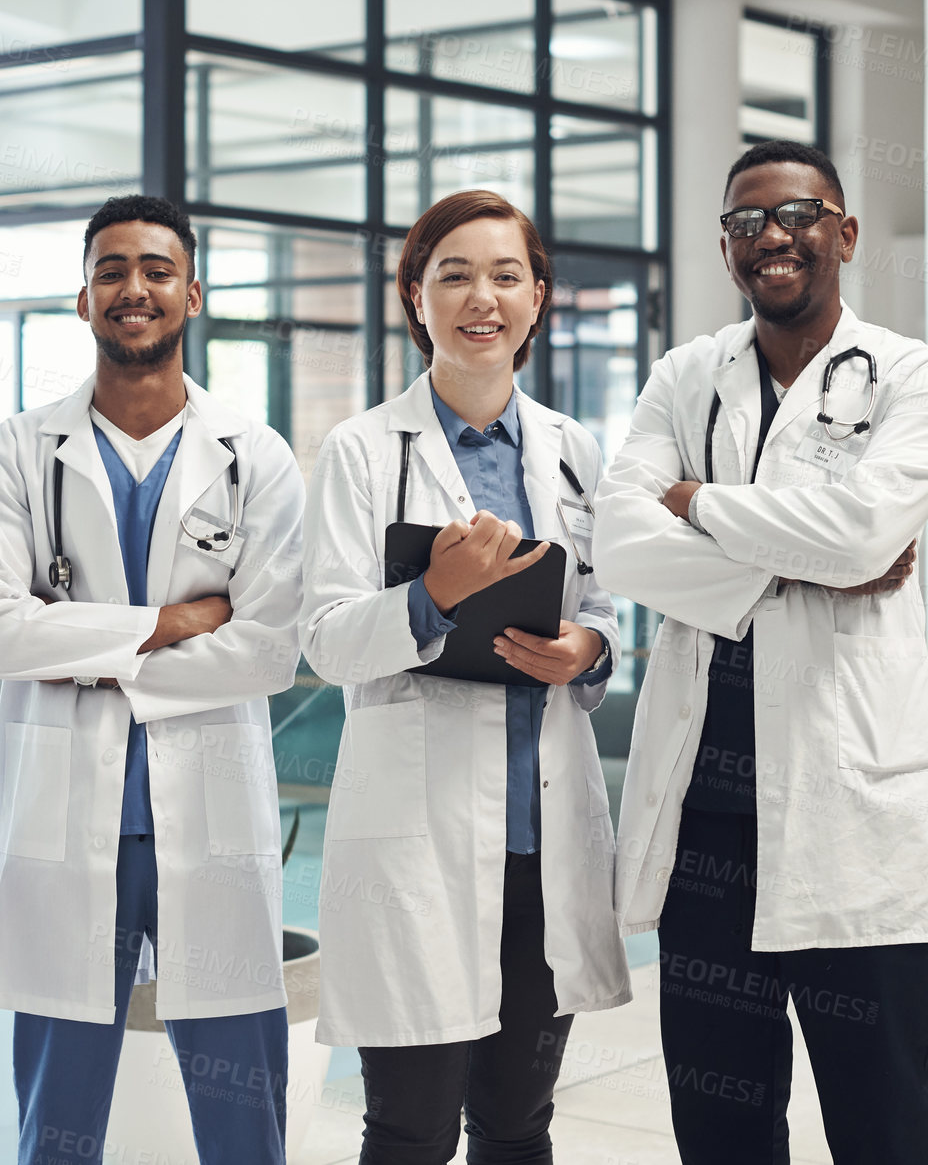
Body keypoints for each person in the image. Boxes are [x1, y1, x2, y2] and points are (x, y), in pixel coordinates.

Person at [592, 139, 928, 1163]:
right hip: (709, 823)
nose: (773, 237)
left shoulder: (915, 375)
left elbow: (863, 535)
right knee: (721, 1125)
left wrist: (700, 504)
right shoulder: (685, 375)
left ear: (843, 232)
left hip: (853, 816)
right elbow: (619, 539)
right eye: (747, 222)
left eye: (797, 214)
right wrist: (802, 558)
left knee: (882, 1122)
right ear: (726, 249)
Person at [0, 195, 304, 1165]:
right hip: (71, 826)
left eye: (156, 269)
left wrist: (94, 658)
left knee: (246, 1126)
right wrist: (165, 624)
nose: (134, 288)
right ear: (82, 298)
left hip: (212, 824)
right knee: (58, 1130)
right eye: (112, 270)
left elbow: (271, 647)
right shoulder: (18, 454)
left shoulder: (255, 458)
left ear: (192, 292)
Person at [300, 189, 631, 1165]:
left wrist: (587, 651)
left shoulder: (577, 451)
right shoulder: (365, 452)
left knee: (519, 1123)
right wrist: (433, 594)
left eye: (504, 275)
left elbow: (604, 607)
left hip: (542, 841)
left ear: (539, 299)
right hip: (419, 841)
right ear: (414, 295)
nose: (479, 297)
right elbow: (324, 639)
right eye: (453, 274)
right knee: (409, 1130)